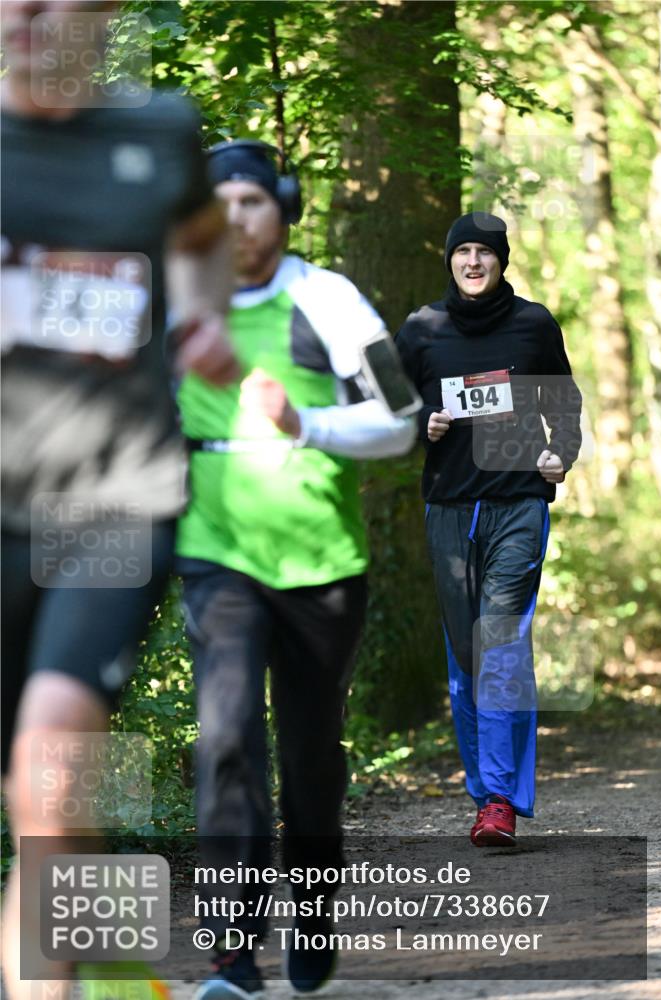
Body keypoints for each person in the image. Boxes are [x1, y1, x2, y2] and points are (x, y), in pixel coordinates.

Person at [1, 3, 237, 998]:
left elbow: (202, 235)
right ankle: (114, 965)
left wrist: (202, 315)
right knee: (44, 805)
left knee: (50, 768)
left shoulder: (159, 130)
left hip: (112, 496)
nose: (23, 13)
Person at [175, 139, 416, 999]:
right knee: (226, 739)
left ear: (282, 208)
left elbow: (401, 420)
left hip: (321, 562)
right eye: (219, 207)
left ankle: (313, 912)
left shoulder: (329, 300)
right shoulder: (175, 303)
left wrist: (306, 425)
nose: (235, 220)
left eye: (251, 201)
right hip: (216, 552)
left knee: (310, 758)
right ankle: (232, 957)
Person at [395, 211, 582, 848]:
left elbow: (564, 403)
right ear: (449, 260)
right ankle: (486, 794)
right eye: (463, 252)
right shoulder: (422, 328)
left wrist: (561, 453)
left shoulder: (533, 324)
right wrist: (421, 423)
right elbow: (388, 404)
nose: (473, 262)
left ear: (502, 260)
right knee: (466, 654)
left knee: (499, 642)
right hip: (450, 508)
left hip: (517, 503)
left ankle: (499, 799)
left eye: (485, 252)